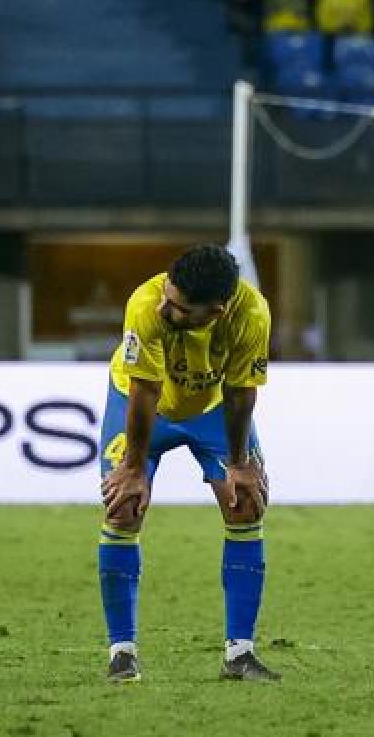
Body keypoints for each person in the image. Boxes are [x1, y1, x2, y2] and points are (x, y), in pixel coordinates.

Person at [98, 244, 277, 683]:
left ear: (214, 312)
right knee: (122, 510)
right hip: (139, 406)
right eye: (168, 294)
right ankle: (122, 653)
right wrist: (135, 468)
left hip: (213, 409)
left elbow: (241, 393)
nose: (165, 307)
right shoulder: (146, 303)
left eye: (178, 307)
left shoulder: (251, 314)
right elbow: (144, 390)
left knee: (245, 504)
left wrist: (238, 464)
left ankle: (240, 654)